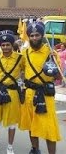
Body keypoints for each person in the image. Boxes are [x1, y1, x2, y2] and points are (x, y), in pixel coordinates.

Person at [20, 22, 61, 154]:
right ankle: (35, 149)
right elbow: (20, 70)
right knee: (32, 125)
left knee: (50, 129)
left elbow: (59, 76)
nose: (34, 38)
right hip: (29, 93)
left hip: (45, 95)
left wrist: (55, 65)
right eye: (31, 35)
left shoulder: (51, 53)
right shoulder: (25, 53)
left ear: (42, 36)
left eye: (37, 35)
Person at [0, 32, 24, 154]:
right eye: (3, 45)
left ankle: (10, 147)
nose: (5, 47)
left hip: (13, 92)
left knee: (12, 122)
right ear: (0, 45)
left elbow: (27, 71)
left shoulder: (20, 58)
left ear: (12, 44)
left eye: (8, 44)